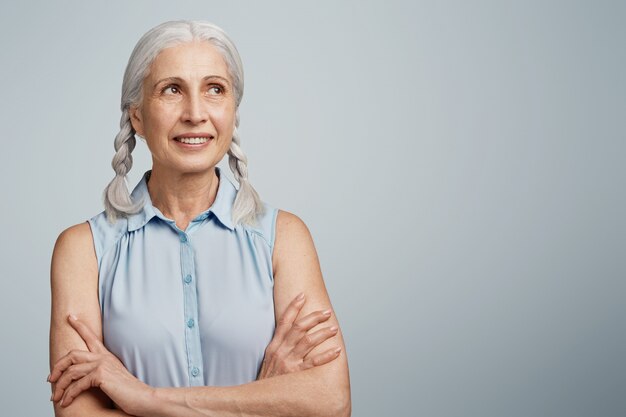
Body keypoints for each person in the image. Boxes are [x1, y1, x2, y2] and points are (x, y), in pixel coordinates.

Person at [48, 20, 351, 417]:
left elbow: (331, 402)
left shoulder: (285, 238)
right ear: (136, 116)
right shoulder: (82, 251)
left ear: (233, 111)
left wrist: (145, 398)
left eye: (215, 89)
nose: (195, 113)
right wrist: (262, 397)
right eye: (172, 90)